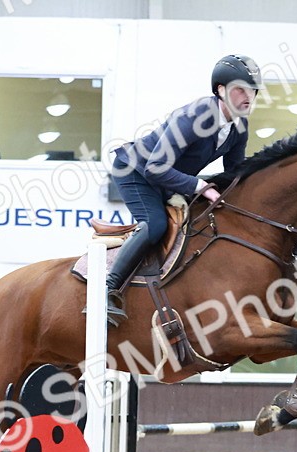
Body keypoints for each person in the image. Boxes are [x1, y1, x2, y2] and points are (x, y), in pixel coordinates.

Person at [102, 54, 261, 325]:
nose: (249, 97)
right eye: (241, 90)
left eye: (253, 91)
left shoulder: (240, 126)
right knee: (156, 224)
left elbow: (235, 175)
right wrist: (201, 186)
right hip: (135, 171)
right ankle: (108, 289)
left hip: (168, 178)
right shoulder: (195, 116)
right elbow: (155, 167)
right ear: (221, 90)